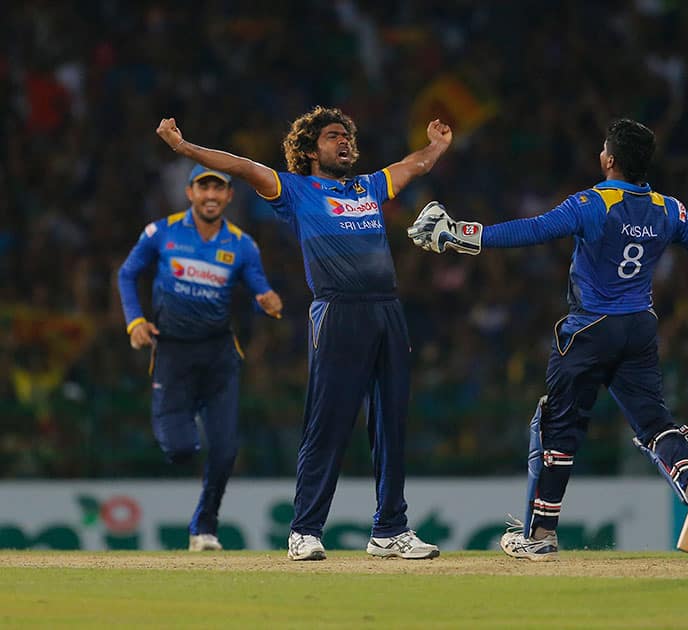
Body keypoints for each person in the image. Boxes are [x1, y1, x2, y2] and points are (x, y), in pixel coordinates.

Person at [407, 118, 688, 560]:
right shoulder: (669, 208)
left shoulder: (594, 202)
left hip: (591, 329)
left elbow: (533, 230)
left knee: (556, 426)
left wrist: (462, 235)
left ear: (608, 159)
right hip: (639, 328)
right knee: (654, 422)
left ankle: (540, 535)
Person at [154, 107, 452, 561]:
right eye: (334, 137)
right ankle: (305, 530)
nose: (345, 142)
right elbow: (239, 165)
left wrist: (436, 147)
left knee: (391, 423)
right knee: (328, 424)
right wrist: (184, 148)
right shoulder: (293, 189)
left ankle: (390, 529)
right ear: (312, 150)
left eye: (348, 136)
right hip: (337, 312)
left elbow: (412, 166)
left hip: (387, 312)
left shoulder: (368, 186)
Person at [118, 164, 283, 552]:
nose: (211, 195)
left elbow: (260, 292)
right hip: (172, 351)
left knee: (225, 449)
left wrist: (268, 303)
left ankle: (204, 526)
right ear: (189, 193)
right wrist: (135, 322)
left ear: (228, 197)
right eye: (203, 188)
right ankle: (179, 436)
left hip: (219, 355)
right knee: (180, 450)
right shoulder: (161, 232)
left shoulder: (243, 245)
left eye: (219, 189)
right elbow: (127, 274)